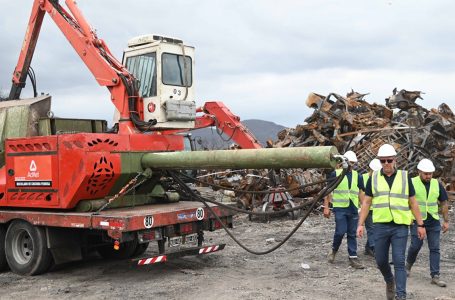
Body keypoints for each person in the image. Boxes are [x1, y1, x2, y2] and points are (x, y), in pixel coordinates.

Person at [357, 144, 426, 300]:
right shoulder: (373, 178)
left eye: (389, 160)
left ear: (395, 160)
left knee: (399, 261)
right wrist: (360, 224)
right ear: (380, 161)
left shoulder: (404, 177)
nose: (386, 163)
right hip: (380, 226)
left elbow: (413, 203)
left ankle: (401, 295)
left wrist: (420, 225)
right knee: (380, 261)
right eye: (383, 161)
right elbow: (367, 202)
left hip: (400, 226)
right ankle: (390, 281)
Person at [406, 158, 449, 287]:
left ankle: (435, 275)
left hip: (433, 221)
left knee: (435, 248)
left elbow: (444, 202)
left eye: (430, 173)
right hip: (417, 221)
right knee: (416, 245)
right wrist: (409, 217)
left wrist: (446, 221)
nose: (428, 176)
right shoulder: (412, 182)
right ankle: (407, 266)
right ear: (419, 171)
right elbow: (406, 202)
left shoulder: (437, 184)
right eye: (425, 173)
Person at [324, 150, 364, 269]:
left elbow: (361, 192)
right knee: (340, 232)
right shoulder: (335, 174)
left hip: (353, 208)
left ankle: (353, 257)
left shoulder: (358, 176)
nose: (352, 165)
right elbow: (328, 190)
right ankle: (334, 250)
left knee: (352, 233)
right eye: (350, 162)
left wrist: (363, 207)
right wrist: (326, 207)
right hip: (340, 208)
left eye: (353, 163)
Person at [361, 158, 382, 257]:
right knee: (371, 229)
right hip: (367, 209)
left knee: (375, 229)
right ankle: (375, 248)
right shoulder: (363, 178)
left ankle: (368, 248)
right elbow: (360, 194)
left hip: (378, 208)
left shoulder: (380, 178)